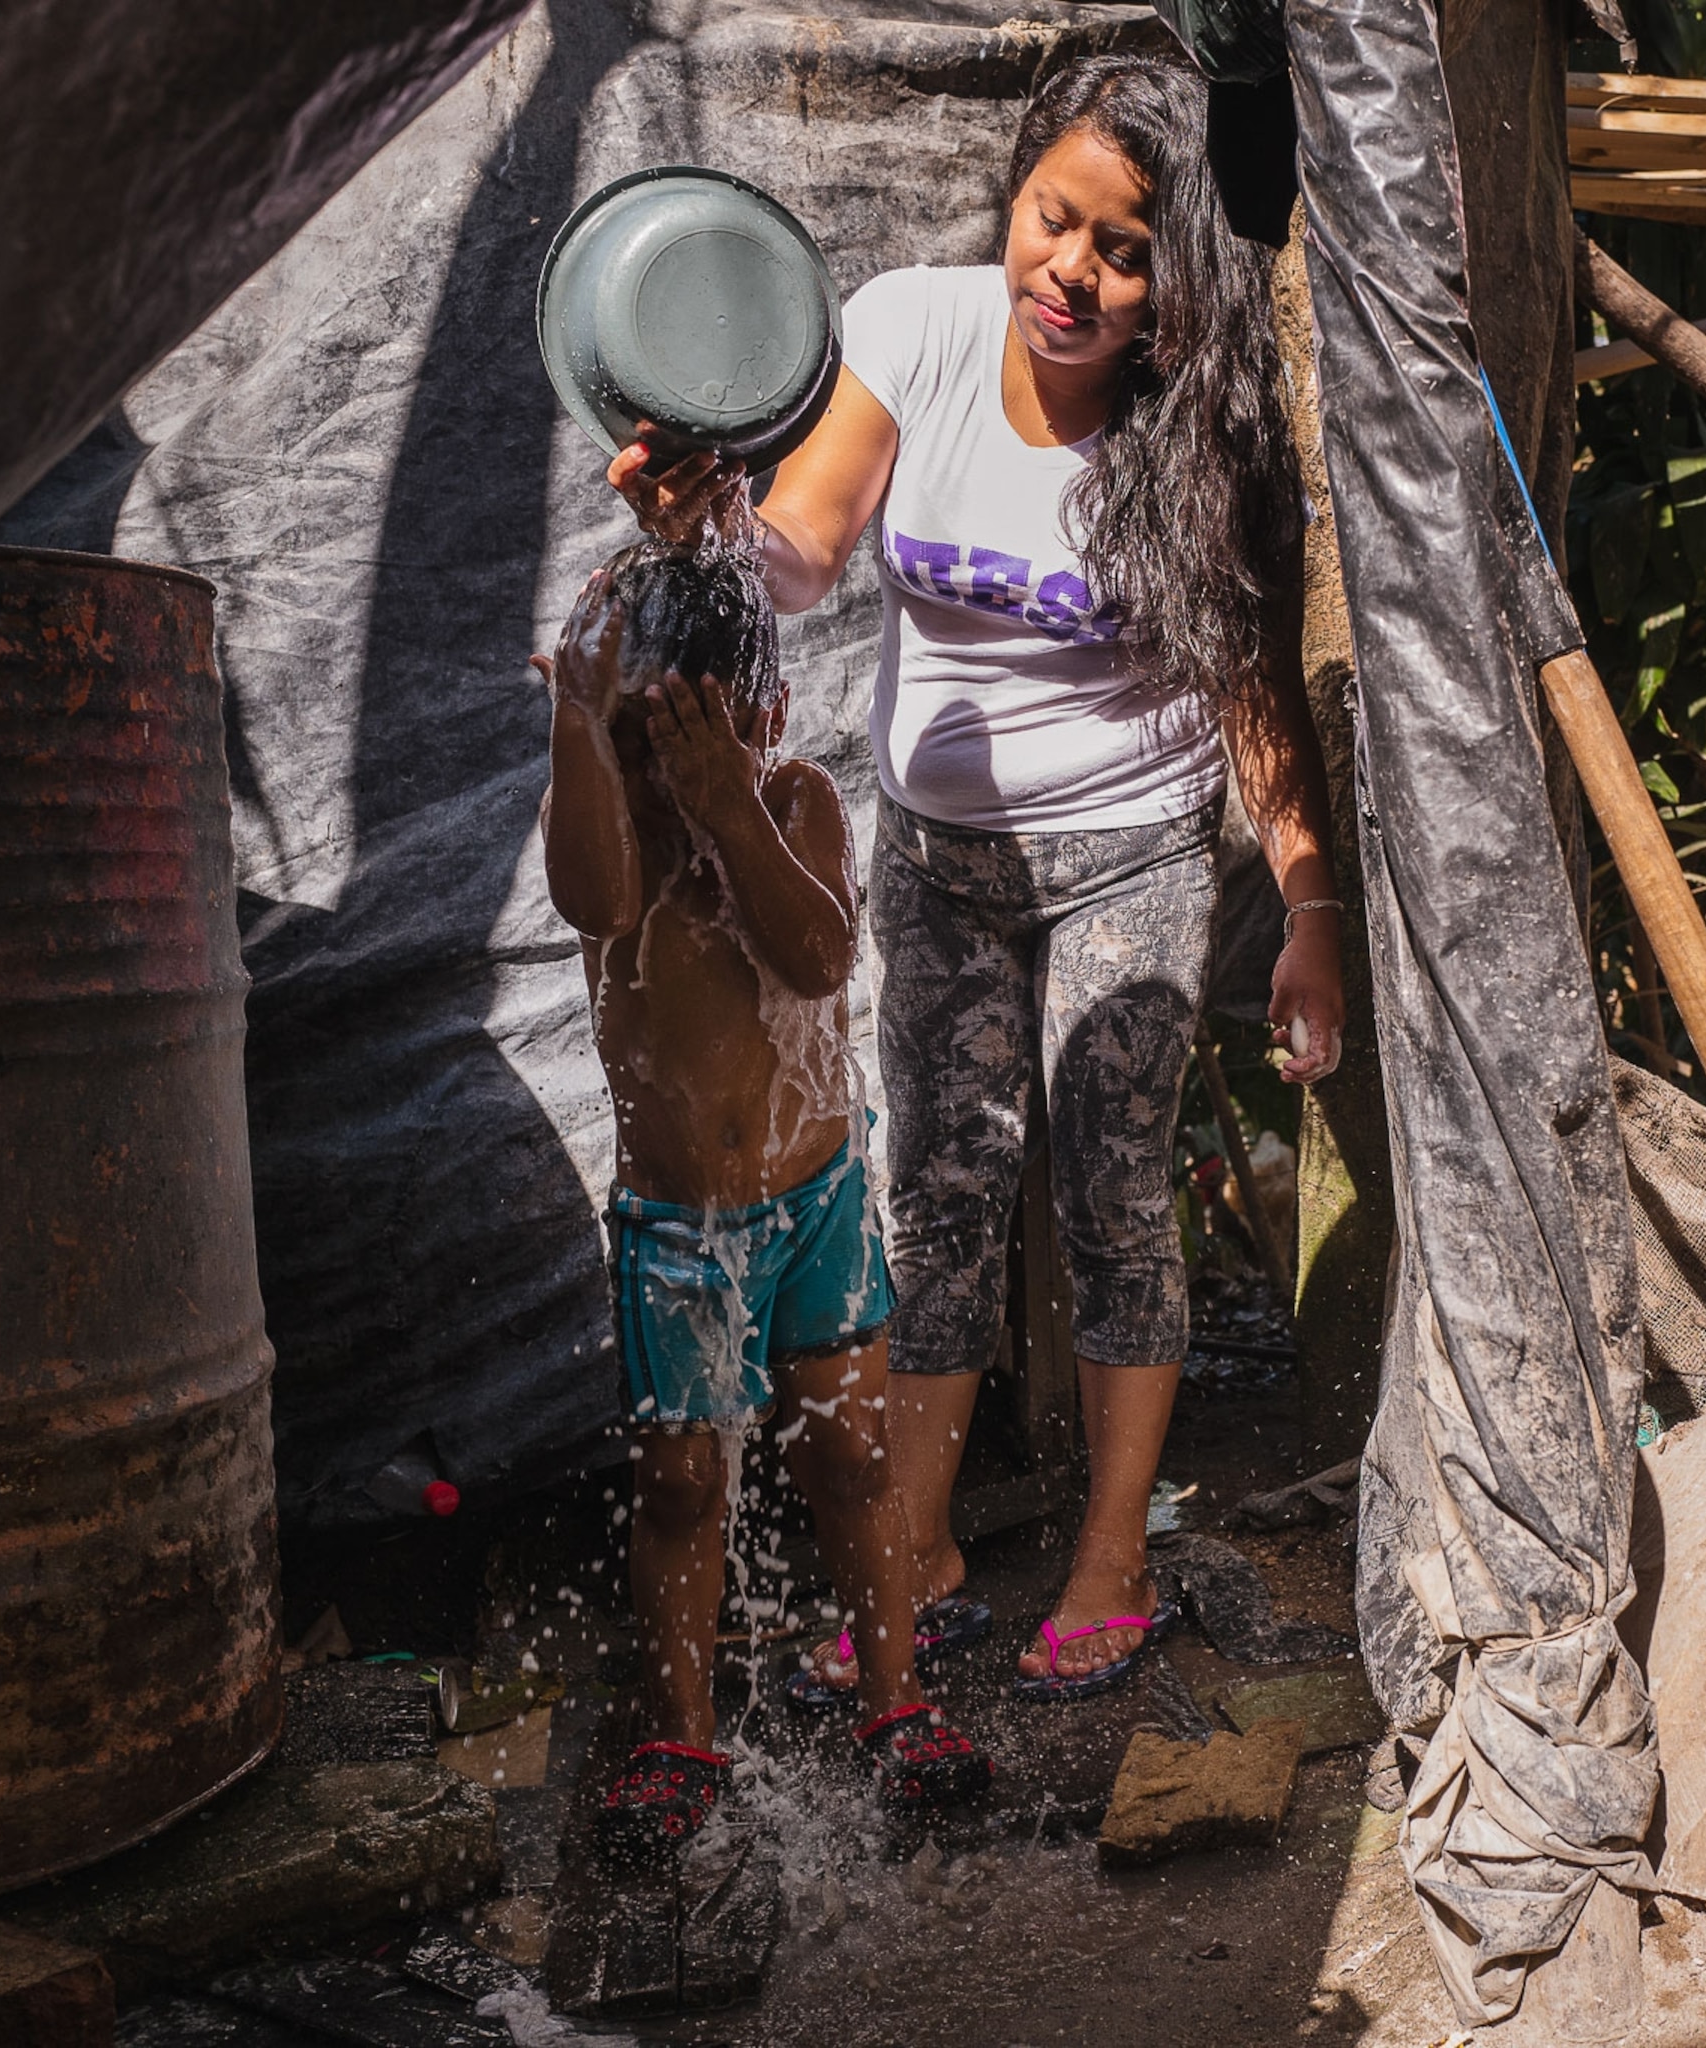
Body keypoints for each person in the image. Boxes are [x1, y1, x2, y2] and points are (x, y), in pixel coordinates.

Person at [613, 52, 1344, 1703]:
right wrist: (714, 531)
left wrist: (1308, 908)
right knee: (935, 1200)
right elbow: (804, 537)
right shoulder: (914, 330)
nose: (1068, 273)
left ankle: (1109, 1555)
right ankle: (918, 1551)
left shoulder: (1195, 430)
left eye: (1122, 248)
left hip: (1134, 850)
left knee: (1109, 1193)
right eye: (1051, 220)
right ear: (1014, 199)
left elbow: (1250, 696)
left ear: (1177, 277)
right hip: (938, 855)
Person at [533, 548, 990, 1833]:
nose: (665, 767)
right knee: (683, 1487)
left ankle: (895, 1695)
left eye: (698, 735)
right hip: (680, 1230)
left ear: (766, 720)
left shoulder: (793, 803)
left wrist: (729, 801)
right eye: (640, 734)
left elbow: (819, 956)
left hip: (817, 1206)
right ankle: (684, 1735)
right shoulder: (614, 820)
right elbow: (590, 895)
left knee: (852, 1460)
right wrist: (580, 734)